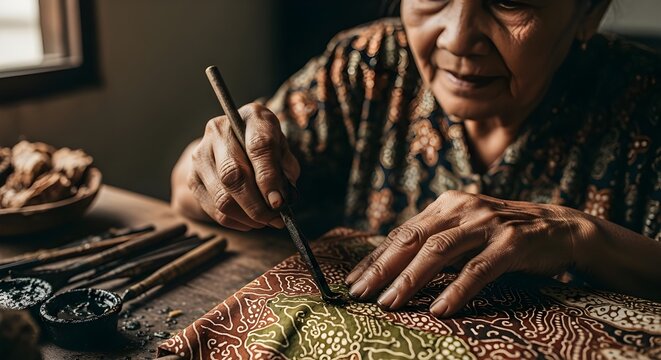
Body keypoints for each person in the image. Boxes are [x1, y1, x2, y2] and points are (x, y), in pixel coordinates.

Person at [171, 0, 661, 317]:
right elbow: (183, 193)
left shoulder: (647, 104)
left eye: (508, 2)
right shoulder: (369, 66)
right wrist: (218, 164)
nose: (456, 38)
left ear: (588, 13)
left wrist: (580, 235)